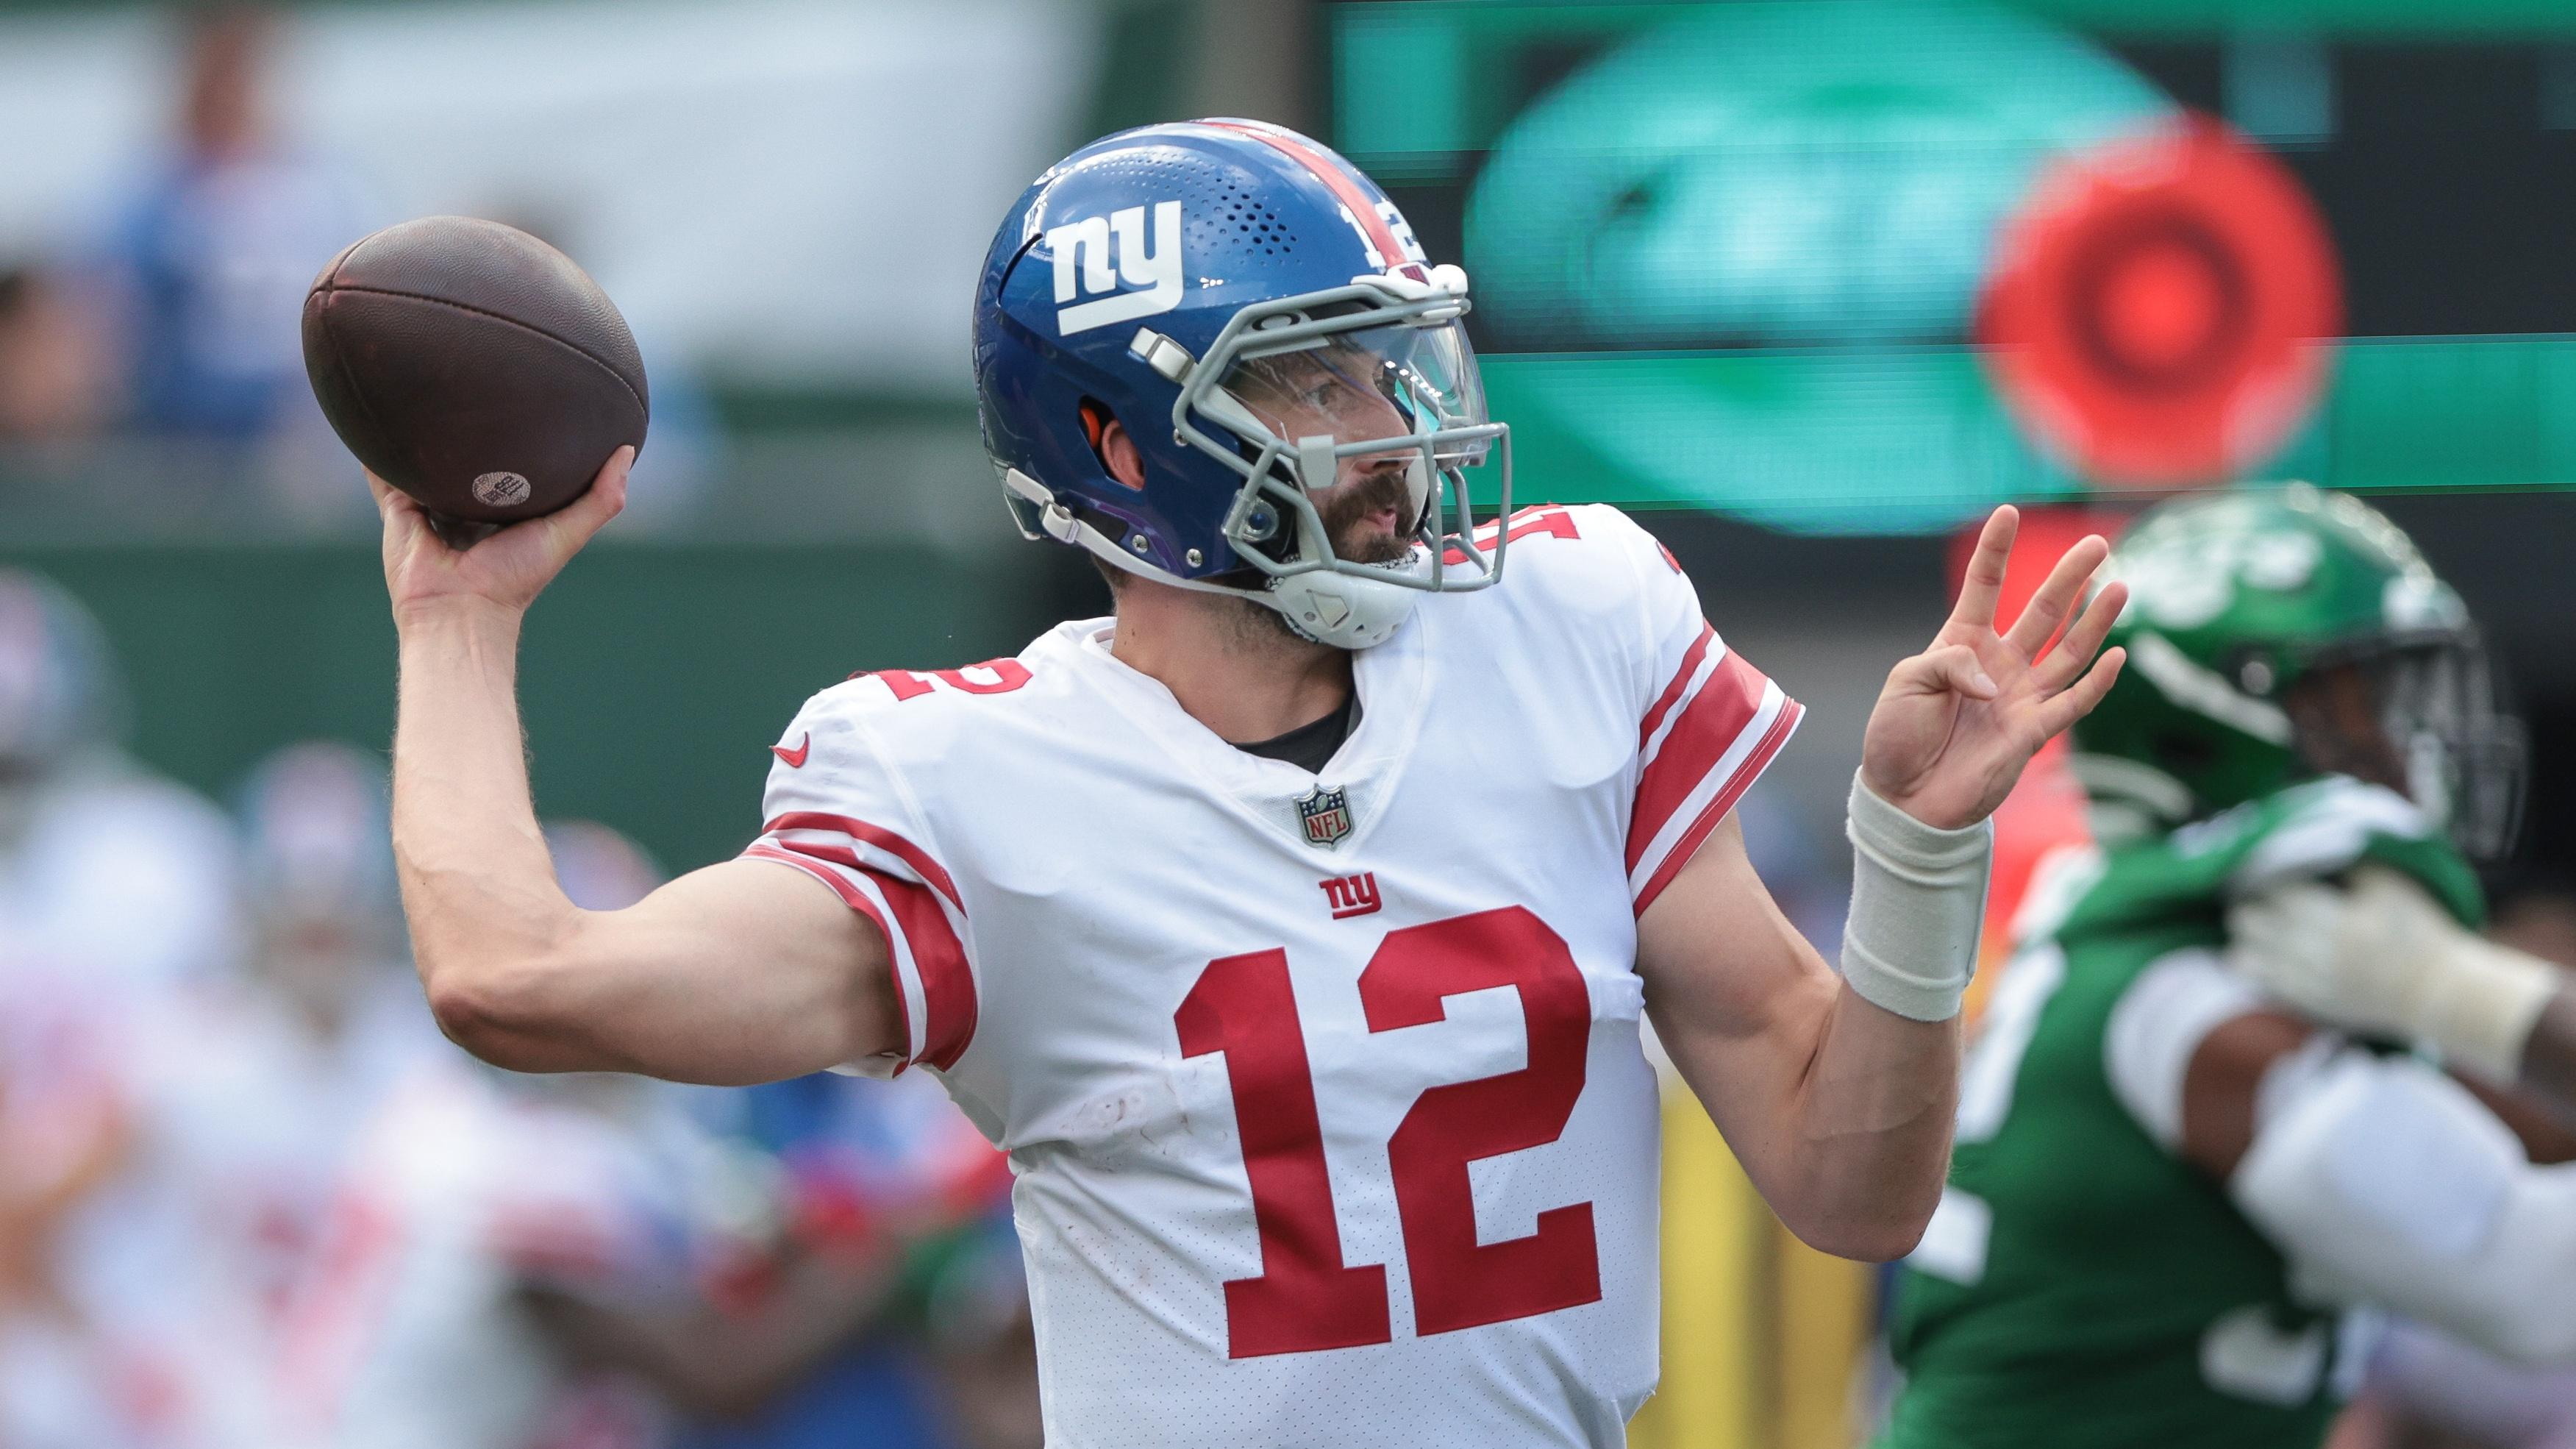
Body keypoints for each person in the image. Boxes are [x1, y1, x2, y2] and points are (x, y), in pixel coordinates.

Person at [368, 120, 2124, 1447]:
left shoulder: (1567, 623)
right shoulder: (965, 779)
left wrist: (1913, 854)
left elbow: (1854, 1187)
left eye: (1386, 355)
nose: (1388, 423)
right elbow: (513, 979)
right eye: (1310, 375)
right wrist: (456, 627)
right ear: (1122, 445)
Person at [1882, 485, 2576, 1449]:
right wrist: (2483, 1002)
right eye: (2363, 704)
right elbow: (2543, 1292)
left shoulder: (2133, 933)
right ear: (2210, 725)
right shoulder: (2202, 1012)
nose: (2410, 748)